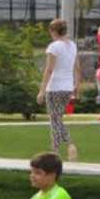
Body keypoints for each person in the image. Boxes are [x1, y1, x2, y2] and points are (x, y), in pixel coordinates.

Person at [36, 18, 80, 160]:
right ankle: (54, 151)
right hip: (67, 87)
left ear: (53, 31)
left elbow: (49, 70)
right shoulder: (72, 45)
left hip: (54, 87)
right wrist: (77, 86)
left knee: (55, 120)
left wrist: (42, 90)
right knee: (57, 118)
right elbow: (77, 67)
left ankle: (67, 144)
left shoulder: (54, 46)